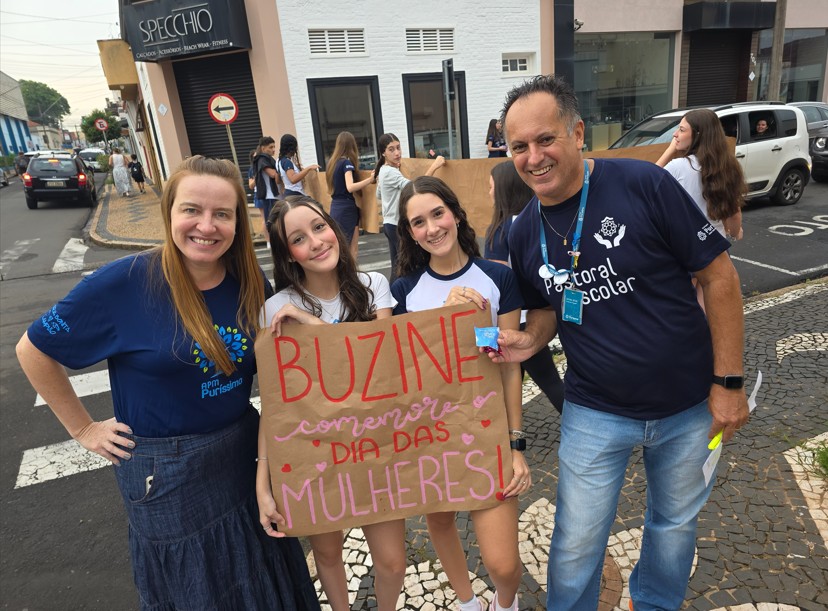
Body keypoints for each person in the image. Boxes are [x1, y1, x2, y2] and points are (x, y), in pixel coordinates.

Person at [16, 156, 320, 611]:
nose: (207, 225)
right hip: (167, 478)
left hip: (242, 455)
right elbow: (32, 349)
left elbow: (272, 365)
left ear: (238, 220)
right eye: (192, 210)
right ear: (169, 213)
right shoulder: (124, 282)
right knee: (199, 590)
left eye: (222, 213)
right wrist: (83, 429)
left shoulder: (248, 279)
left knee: (259, 573)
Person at [493, 75, 748, 610]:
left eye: (546, 139)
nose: (533, 157)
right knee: (575, 542)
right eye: (519, 146)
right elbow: (546, 308)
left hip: (688, 405)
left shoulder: (642, 185)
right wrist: (525, 342)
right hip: (594, 409)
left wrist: (728, 383)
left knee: (673, 526)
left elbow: (719, 278)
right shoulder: (520, 232)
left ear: (578, 132)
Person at [257, 196, 406, 611]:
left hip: (377, 449)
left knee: (393, 563)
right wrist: (261, 483)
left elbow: (380, 367)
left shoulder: (373, 286)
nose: (317, 242)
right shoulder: (275, 309)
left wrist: (311, 323)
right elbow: (276, 405)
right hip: (316, 454)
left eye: (320, 227)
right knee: (327, 554)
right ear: (288, 253)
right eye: (299, 238)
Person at [391, 176, 527, 611]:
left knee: (504, 566)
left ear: (455, 213)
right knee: (440, 522)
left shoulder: (497, 278)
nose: (431, 228)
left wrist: (515, 444)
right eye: (418, 222)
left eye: (437, 213)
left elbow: (508, 367)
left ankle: (505, 603)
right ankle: (467, 602)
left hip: (487, 436)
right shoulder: (403, 293)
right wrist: (441, 323)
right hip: (429, 437)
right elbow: (401, 373)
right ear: (409, 233)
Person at [485, 160, 564, 414]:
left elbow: (495, 283)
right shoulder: (539, 218)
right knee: (536, 378)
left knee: (529, 380)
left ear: (503, 190)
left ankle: (507, 437)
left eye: (491, 187)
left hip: (512, 320)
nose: (489, 193)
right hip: (546, 310)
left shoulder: (500, 229)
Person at [656, 108, 747, 307]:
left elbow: (648, 181)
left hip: (684, 251)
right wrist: (735, 232)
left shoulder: (678, 167)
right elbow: (733, 214)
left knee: (684, 313)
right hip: (715, 249)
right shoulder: (728, 167)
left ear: (697, 135)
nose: (675, 135)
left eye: (681, 130)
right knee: (711, 312)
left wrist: (670, 150)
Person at [374, 133, 445, 283]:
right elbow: (415, 189)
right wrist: (435, 165)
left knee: (397, 265)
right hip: (395, 224)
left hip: (389, 223)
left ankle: (392, 298)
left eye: (398, 148)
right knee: (406, 264)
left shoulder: (384, 170)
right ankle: (400, 297)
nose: (397, 153)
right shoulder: (390, 172)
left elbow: (379, 194)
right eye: (391, 149)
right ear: (383, 153)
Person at [325, 131, 376, 258]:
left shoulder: (332, 163)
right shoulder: (346, 163)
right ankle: (351, 275)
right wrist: (370, 180)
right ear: (351, 146)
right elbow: (350, 187)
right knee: (352, 250)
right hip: (347, 208)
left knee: (340, 248)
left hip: (335, 207)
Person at [254, 136, 281, 248]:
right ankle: (273, 243)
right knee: (271, 221)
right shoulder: (262, 159)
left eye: (274, 147)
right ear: (263, 148)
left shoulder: (267, 158)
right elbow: (273, 174)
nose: (273, 149)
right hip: (269, 196)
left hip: (273, 195)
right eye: (271, 147)